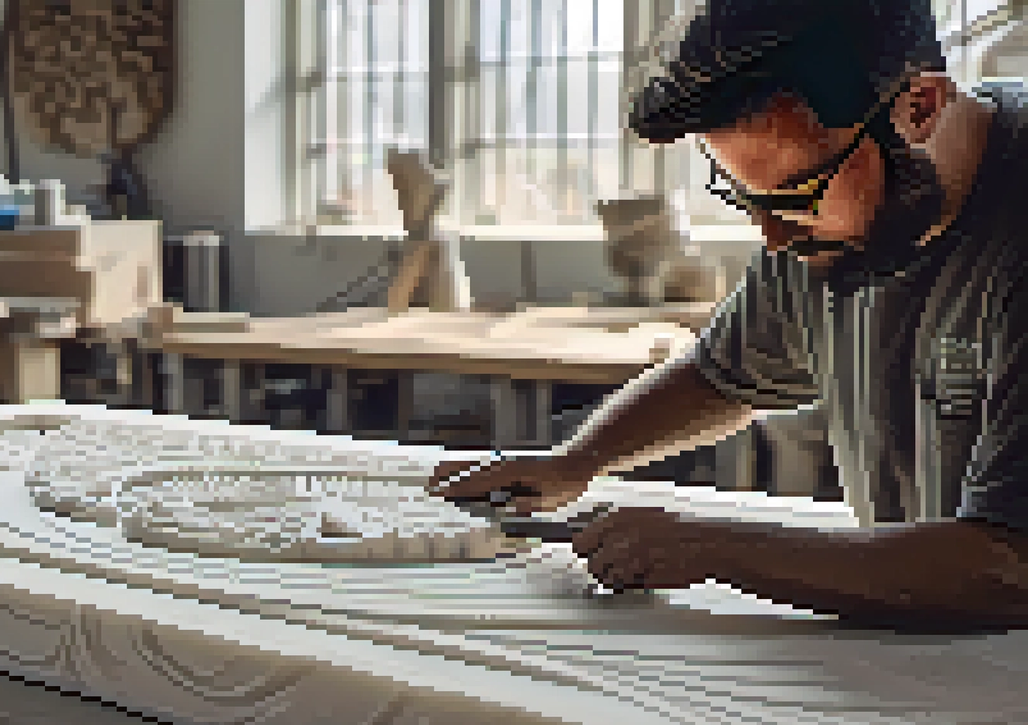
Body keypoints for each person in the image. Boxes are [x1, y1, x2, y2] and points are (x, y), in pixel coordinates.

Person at [434, 0, 1028, 629]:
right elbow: (721, 376)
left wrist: (716, 549)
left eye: (794, 193)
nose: (772, 236)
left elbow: (1009, 568)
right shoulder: (826, 223)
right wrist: (575, 463)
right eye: (744, 197)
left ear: (921, 107)